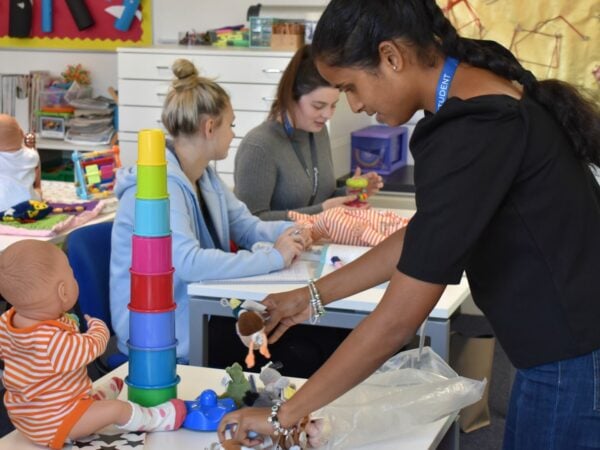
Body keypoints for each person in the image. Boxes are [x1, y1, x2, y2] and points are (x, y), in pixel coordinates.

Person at [218, 0, 600, 449]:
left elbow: (398, 320)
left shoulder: (478, 124)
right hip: (564, 352)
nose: (356, 106)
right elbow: (424, 235)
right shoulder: (474, 103)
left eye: (352, 88)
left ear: (391, 57)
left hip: (571, 359)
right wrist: (311, 297)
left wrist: (285, 415)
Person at [110, 58, 310, 362]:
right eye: (230, 125)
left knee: (301, 339)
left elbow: (245, 226)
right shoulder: (157, 185)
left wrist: (291, 232)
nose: (233, 134)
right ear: (209, 127)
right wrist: (274, 256)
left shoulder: (204, 175)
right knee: (300, 350)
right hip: (162, 331)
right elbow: (188, 262)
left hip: (199, 308)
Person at [0, 240, 186, 449]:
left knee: (75, 389)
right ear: (63, 292)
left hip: (28, 416)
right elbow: (91, 347)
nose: (74, 278)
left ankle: (91, 403)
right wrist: (98, 329)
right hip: (58, 423)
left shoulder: (8, 321)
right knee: (117, 409)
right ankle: (159, 419)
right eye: (71, 274)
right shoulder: (51, 343)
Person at [233, 44, 383, 221]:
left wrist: (350, 193)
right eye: (318, 106)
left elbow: (320, 197)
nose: (327, 115)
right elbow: (249, 222)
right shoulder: (259, 146)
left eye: (333, 105)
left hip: (312, 242)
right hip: (272, 247)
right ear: (291, 98)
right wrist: (321, 212)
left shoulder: (318, 132)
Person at [0, 114, 41, 212]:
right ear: (22, 134)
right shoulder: (32, 156)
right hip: (28, 203)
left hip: (2, 206)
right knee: (37, 193)